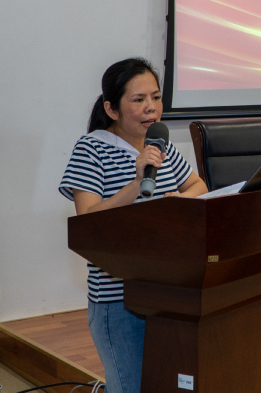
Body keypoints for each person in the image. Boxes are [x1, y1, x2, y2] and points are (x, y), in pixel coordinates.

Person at [59, 58, 207, 393]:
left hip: (168, 290)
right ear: (111, 109)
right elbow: (88, 221)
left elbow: (198, 186)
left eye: (156, 97)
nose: (151, 108)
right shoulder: (91, 149)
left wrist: (177, 201)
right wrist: (137, 183)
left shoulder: (161, 146)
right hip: (119, 298)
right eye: (138, 100)